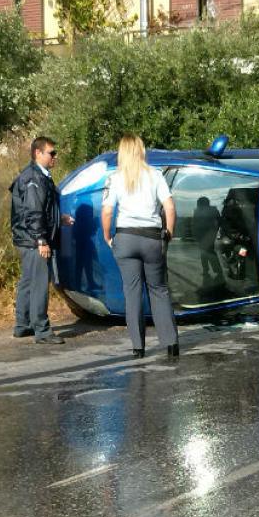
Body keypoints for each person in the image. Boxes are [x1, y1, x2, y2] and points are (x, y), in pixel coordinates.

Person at [100, 135, 179, 359]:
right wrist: (169, 233)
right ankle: (171, 344)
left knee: (132, 291)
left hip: (125, 238)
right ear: (141, 151)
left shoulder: (115, 178)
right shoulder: (155, 175)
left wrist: (107, 237)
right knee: (159, 290)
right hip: (152, 238)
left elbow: (107, 211)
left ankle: (138, 348)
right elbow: (170, 207)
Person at [10, 136, 73, 344]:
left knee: (28, 281)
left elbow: (42, 209)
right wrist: (41, 241)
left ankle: (22, 325)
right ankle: (42, 331)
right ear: (38, 153)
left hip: (28, 238)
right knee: (39, 283)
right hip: (33, 240)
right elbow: (33, 212)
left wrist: (59, 219)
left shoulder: (39, 176)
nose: (55, 156)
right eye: (51, 153)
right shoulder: (33, 178)